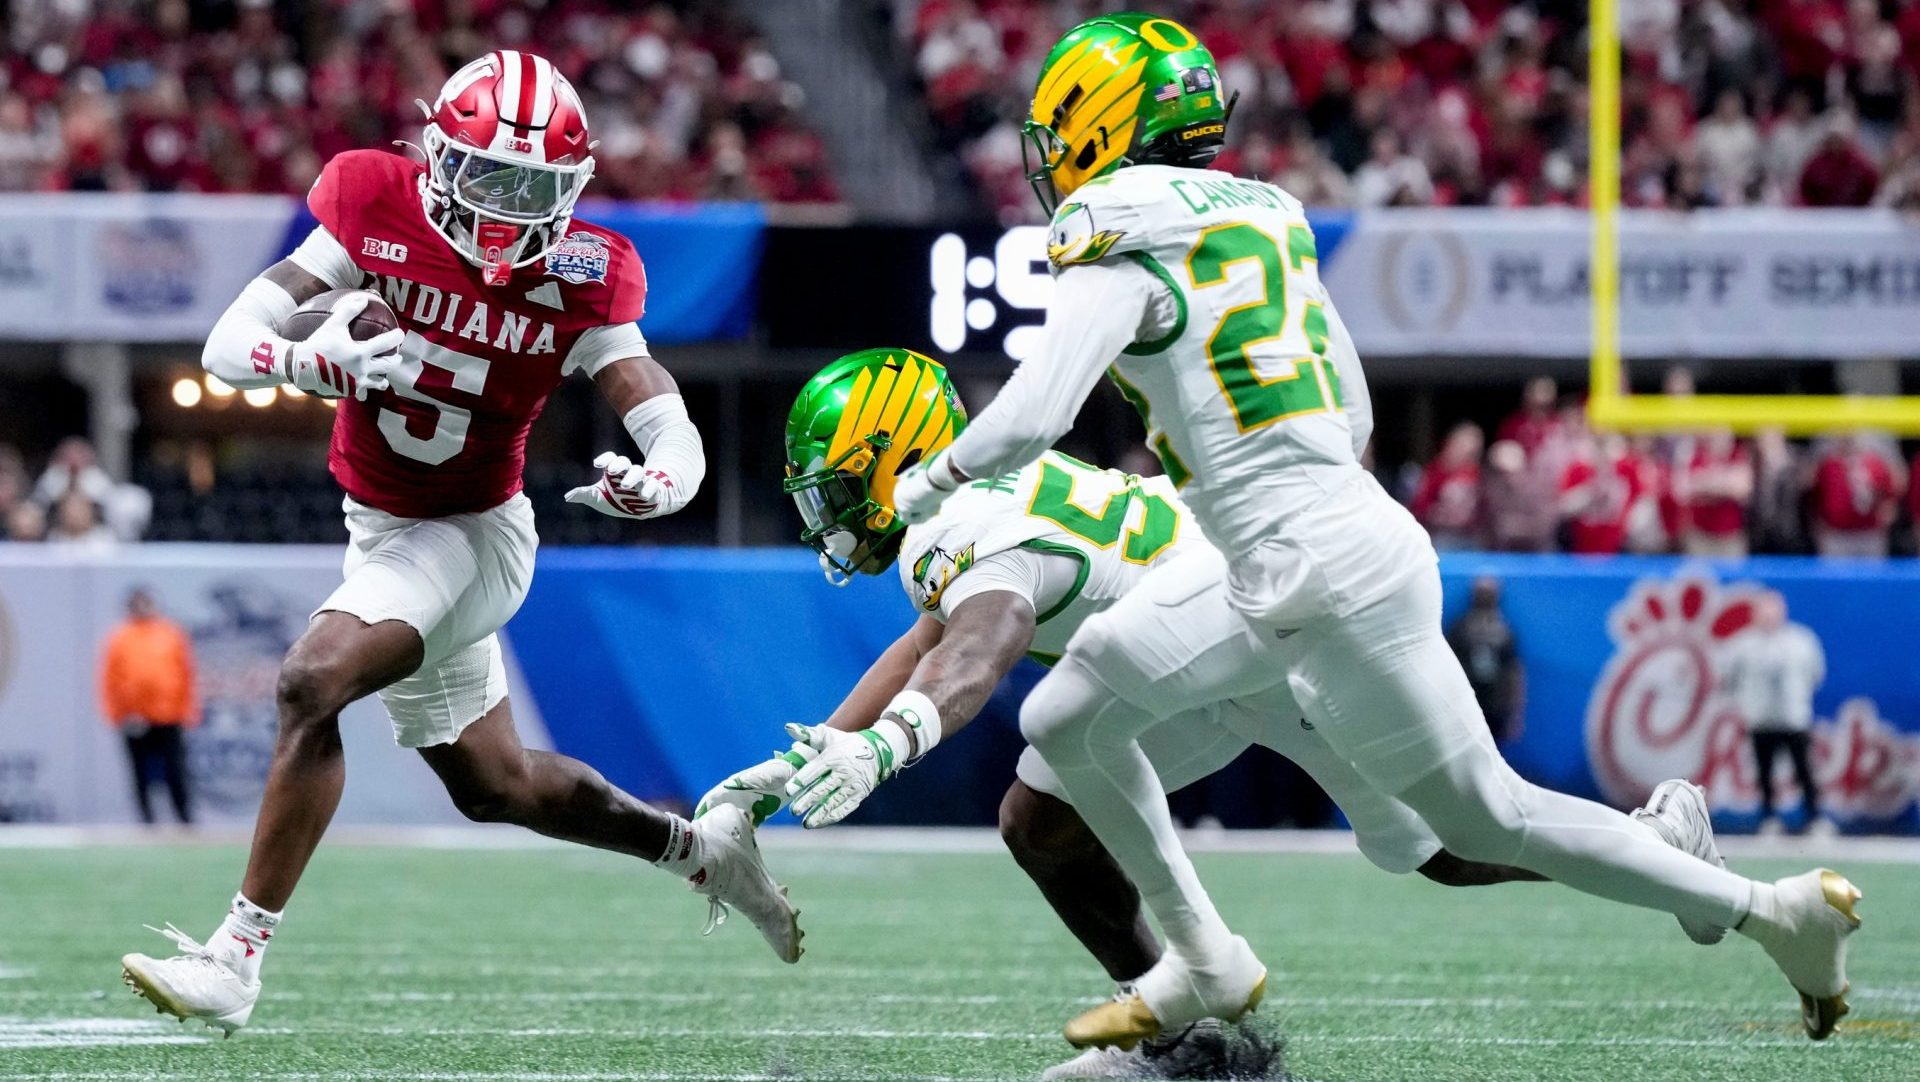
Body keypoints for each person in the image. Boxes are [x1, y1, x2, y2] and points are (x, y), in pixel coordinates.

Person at [883, 13, 1856, 1047]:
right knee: (1070, 717)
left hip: (1303, 566)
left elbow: (1035, 415)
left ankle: (1770, 910)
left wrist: (929, 482)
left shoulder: (1117, 226)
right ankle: (1206, 958)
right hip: (1325, 544)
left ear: (1101, 122)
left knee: (1481, 820)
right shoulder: (1265, 215)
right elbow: (1351, 413)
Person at [119, 50, 799, 1037]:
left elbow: (642, 384)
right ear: (439, 154)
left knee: (315, 677)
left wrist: (672, 469)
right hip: (386, 532)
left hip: (475, 534)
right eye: (493, 176)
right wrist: (310, 360)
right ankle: (700, 851)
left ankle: (236, 957)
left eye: (538, 189)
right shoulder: (371, 197)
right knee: (496, 783)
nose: (512, 209)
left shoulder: (583, 271)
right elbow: (229, 341)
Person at [701, 349, 1549, 1080]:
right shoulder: (969, 497)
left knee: (1446, 847)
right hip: (1198, 656)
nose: (831, 517)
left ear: (897, 457)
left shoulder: (955, 529)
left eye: (844, 487)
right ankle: (1182, 1034)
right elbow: (925, 643)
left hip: (1271, 640)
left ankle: (1643, 846)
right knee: (1041, 818)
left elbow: (981, 644)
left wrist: (886, 748)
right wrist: (816, 754)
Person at [1722, 593, 1829, 837]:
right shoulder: (1742, 644)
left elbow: (1816, 674)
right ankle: (1769, 817)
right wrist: (1746, 704)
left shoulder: (1801, 640)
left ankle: (1814, 818)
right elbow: (1728, 677)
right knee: (1764, 771)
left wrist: (1798, 697)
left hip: (1794, 717)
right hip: (1760, 718)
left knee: (1803, 769)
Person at [98, 588, 199, 825]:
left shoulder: (170, 633)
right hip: (135, 717)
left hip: (168, 715)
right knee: (139, 772)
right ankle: (147, 820)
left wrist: (186, 711)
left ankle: (185, 819)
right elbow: (109, 679)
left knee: (176, 770)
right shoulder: (120, 637)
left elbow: (185, 674)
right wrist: (117, 714)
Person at [1447, 578, 1523, 745]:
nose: (1485, 598)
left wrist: (1515, 712)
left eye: (1489, 594)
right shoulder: (1460, 628)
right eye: (1481, 593)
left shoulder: (1504, 631)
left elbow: (1513, 672)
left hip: (1495, 703)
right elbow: (1446, 666)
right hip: (1467, 700)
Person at [1807, 432, 1900, 558]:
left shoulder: (1875, 463)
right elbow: (1814, 496)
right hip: (1835, 535)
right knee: (1835, 576)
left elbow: (1890, 494)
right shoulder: (1828, 464)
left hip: (1870, 534)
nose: (1849, 441)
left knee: (1872, 576)